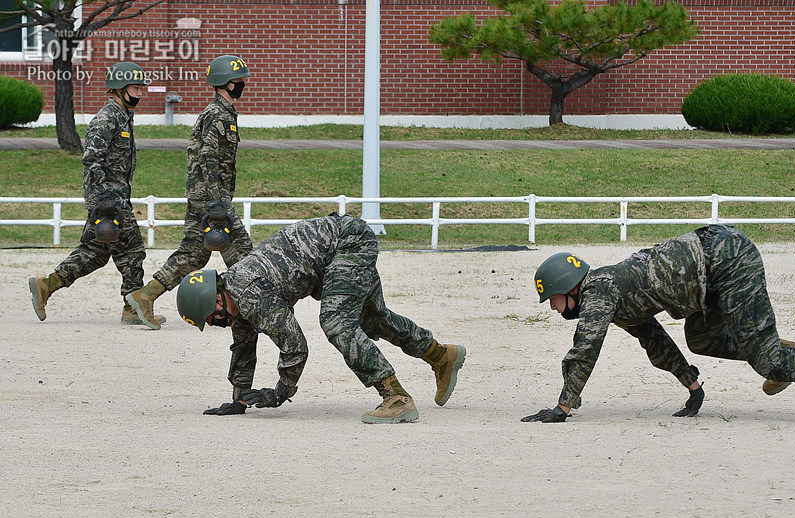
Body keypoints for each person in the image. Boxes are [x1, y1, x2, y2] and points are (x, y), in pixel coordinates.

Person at [522, 224, 795, 426]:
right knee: (701, 339)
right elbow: (654, 341)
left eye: (551, 299)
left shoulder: (600, 291)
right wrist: (693, 387)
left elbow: (585, 350)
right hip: (705, 279)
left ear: (567, 288)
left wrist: (563, 407)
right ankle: (781, 352)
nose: (553, 308)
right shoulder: (614, 294)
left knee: (767, 362)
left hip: (726, 260)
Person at [175, 213, 467, 423]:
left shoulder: (249, 294)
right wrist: (240, 398)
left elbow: (295, 346)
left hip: (348, 243)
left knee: (337, 322)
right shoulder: (236, 298)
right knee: (373, 319)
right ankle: (441, 355)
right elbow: (243, 345)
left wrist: (280, 392)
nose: (217, 324)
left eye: (212, 319)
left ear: (215, 298)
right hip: (338, 249)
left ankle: (396, 398)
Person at [28, 62, 165, 326]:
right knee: (133, 250)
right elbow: (91, 160)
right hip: (109, 201)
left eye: (141, 88)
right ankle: (132, 308)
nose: (140, 93)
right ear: (120, 89)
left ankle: (46, 285)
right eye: (136, 88)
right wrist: (104, 203)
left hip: (114, 198)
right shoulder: (107, 118)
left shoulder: (122, 116)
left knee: (95, 252)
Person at [126, 54, 254, 329]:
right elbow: (208, 155)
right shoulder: (216, 114)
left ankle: (145, 296)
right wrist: (217, 202)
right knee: (243, 252)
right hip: (211, 197)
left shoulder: (224, 112)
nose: (243, 84)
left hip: (206, 195)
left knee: (194, 254)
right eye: (238, 80)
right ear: (224, 83)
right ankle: (260, 303)